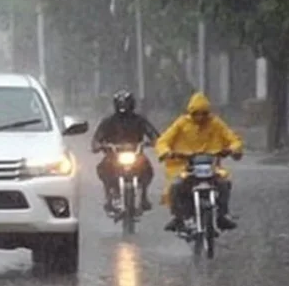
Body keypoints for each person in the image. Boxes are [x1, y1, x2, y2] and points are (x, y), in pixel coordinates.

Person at [155, 91, 244, 233]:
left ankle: (222, 215)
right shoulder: (181, 123)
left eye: (204, 113)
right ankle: (180, 217)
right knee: (176, 186)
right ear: (191, 112)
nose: (200, 117)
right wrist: (166, 152)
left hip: (211, 166)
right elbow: (163, 141)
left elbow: (233, 139)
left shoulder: (215, 123)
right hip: (184, 166)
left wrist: (233, 149)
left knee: (224, 183)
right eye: (196, 113)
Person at [90, 90, 160, 213]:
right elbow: (97, 138)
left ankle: (143, 196)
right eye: (120, 104)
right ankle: (110, 196)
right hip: (113, 156)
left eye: (126, 104)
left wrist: (154, 142)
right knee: (103, 169)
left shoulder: (139, 120)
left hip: (136, 155)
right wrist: (99, 146)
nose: (123, 107)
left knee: (147, 170)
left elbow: (153, 134)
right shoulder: (109, 121)